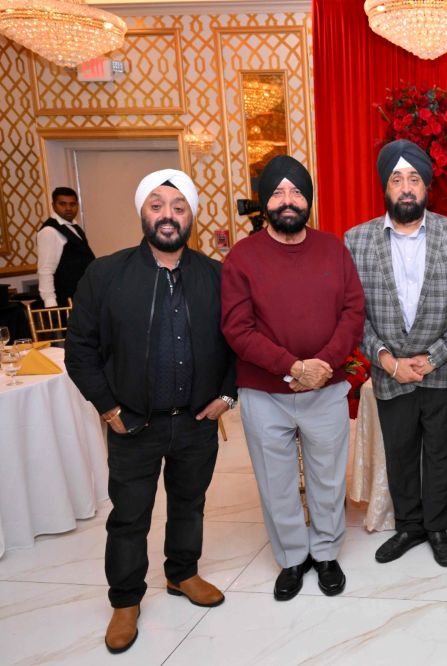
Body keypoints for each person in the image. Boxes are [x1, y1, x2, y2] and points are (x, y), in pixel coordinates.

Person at [65, 169, 235, 654]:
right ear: (142, 212)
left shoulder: (216, 276)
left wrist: (227, 396)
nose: (167, 215)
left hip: (196, 421)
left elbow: (237, 342)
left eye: (178, 207)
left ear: (191, 216)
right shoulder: (106, 274)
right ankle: (125, 599)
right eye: (157, 205)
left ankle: (182, 573)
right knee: (129, 515)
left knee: (190, 503)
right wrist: (107, 406)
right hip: (133, 423)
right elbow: (80, 349)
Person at [221, 155, 365, 601]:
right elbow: (236, 328)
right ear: (265, 202)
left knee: (328, 478)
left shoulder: (333, 249)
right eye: (278, 192)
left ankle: (325, 553)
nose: (288, 200)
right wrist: (293, 366)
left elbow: (353, 312)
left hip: (326, 387)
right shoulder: (242, 257)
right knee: (276, 482)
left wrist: (322, 364)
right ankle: (291, 557)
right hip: (265, 392)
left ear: (308, 201)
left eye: (297, 192)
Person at [344, 139, 447, 567]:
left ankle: (436, 527)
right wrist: (387, 360)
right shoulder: (357, 240)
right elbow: (354, 314)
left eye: (414, 178)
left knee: (440, 453)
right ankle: (409, 526)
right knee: (399, 452)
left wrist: (433, 358)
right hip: (389, 371)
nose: (405, 188)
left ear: (426, 186)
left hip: (442, 369)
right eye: (397, 179)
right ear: (385, 186)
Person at [37, 186, 95, 306]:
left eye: (72, 204)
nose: (68, 208)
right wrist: (51, 304)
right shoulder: (49, 231)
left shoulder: (74, 226)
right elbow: (46, 270)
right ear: (53, 205)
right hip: (65, 300)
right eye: (62, 204)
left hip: (81, 296)